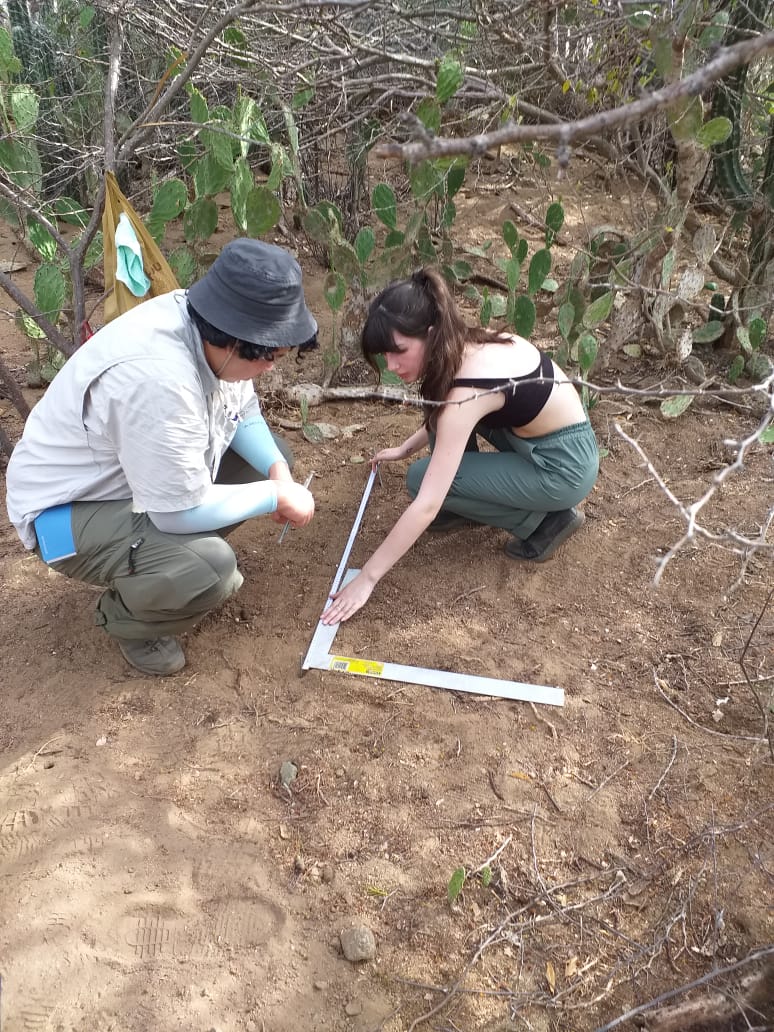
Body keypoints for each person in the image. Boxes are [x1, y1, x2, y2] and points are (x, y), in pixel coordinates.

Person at [6, 239, 317, 675]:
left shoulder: (208, 324)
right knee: (212, 569)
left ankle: (164, 564)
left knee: (269, 457)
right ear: (235, 341)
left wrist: (278, 474)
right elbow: (177, 513)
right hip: (62, 515)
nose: (273, 367)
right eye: (271, 355)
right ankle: (131, 621)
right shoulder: (160, 381)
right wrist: (274, 496)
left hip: (121, 480)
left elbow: (240, 408)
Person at [322, 267, 598, 625]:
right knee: (440, 417)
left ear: (431, 333)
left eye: (399, 351)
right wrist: (406, 447)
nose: (391, 365)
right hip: (547, 439)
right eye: (384, 356)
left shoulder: (467, 390)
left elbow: (426, 503)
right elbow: (444, 415)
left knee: (421, 481)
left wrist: (367, 578)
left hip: (562, 470)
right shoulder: (470, 344)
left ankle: (544, 523)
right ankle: (472, 502)